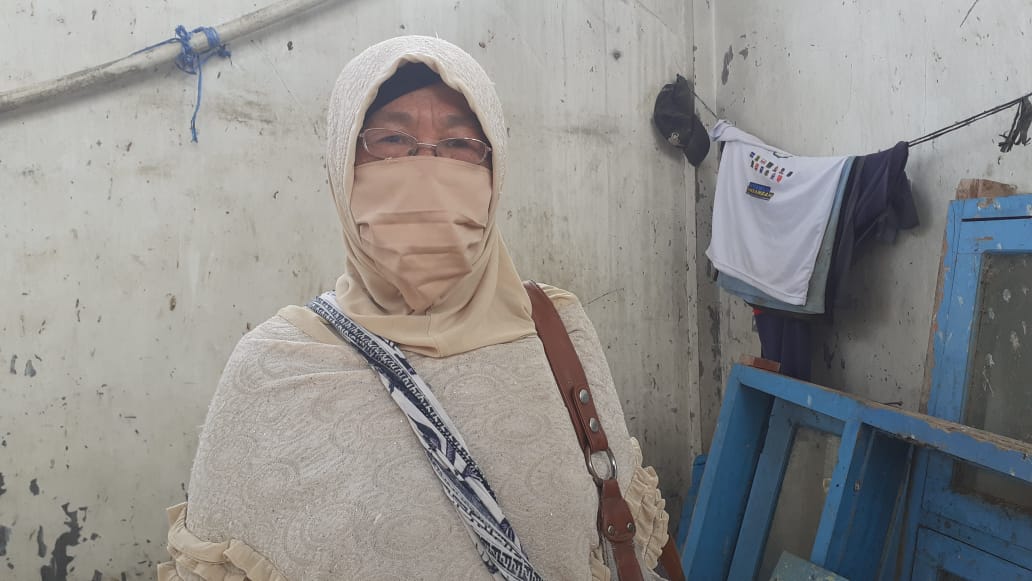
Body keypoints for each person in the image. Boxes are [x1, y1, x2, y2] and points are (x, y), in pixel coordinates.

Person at [158, 35, 672, 581]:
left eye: (459, 143)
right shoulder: (275, 368)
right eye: (392, 139)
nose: (427, 167)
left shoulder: (554, 329)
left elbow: (617, 548)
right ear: (341, 165)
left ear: (495, 170)